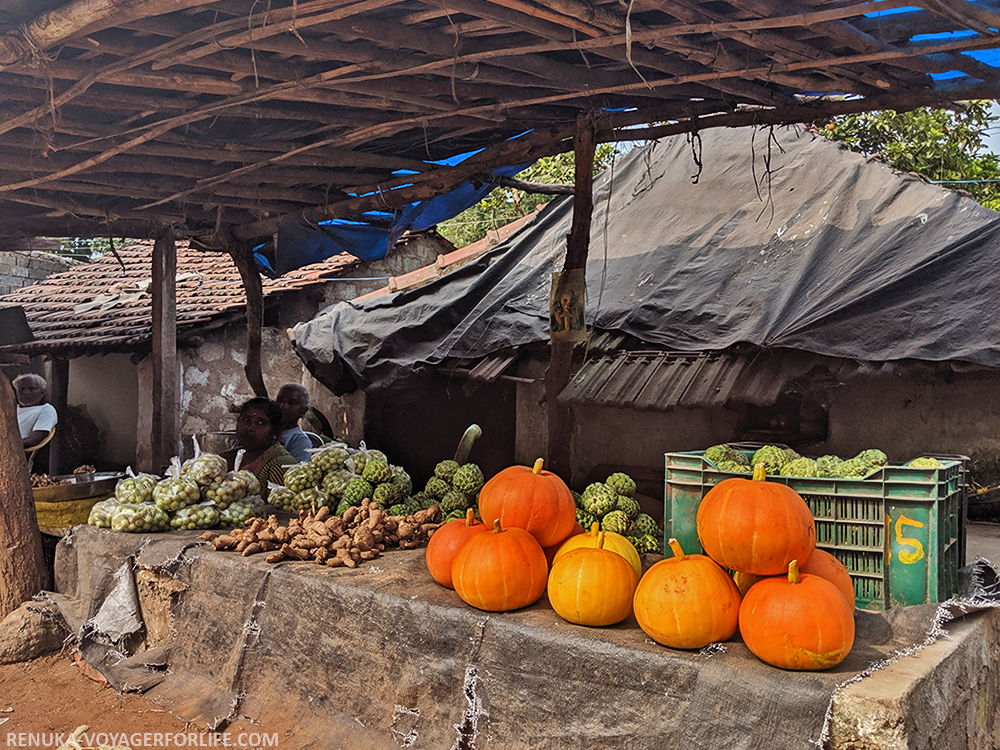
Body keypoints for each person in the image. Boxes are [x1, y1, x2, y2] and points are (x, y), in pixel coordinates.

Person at [221, 397, 296, 496]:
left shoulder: (281, 465)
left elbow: (282, 506)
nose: (250, 427)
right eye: (246, 419)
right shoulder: (225, 459)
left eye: (260, 423)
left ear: (274, 431)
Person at [14, 373, 58, 450]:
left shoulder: (46, 409)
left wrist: (11, 447)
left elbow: (36, 438)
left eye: (31, 389)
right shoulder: (12, 409)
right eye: (21, 389)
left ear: (42, 392)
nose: (26, 392)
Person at [275, 383, 312, 462]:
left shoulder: (300, 441)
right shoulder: (266, 430)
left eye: (291, 403)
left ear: (303, 411)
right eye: (280, 400)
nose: (283, 406)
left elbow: (297, 471)